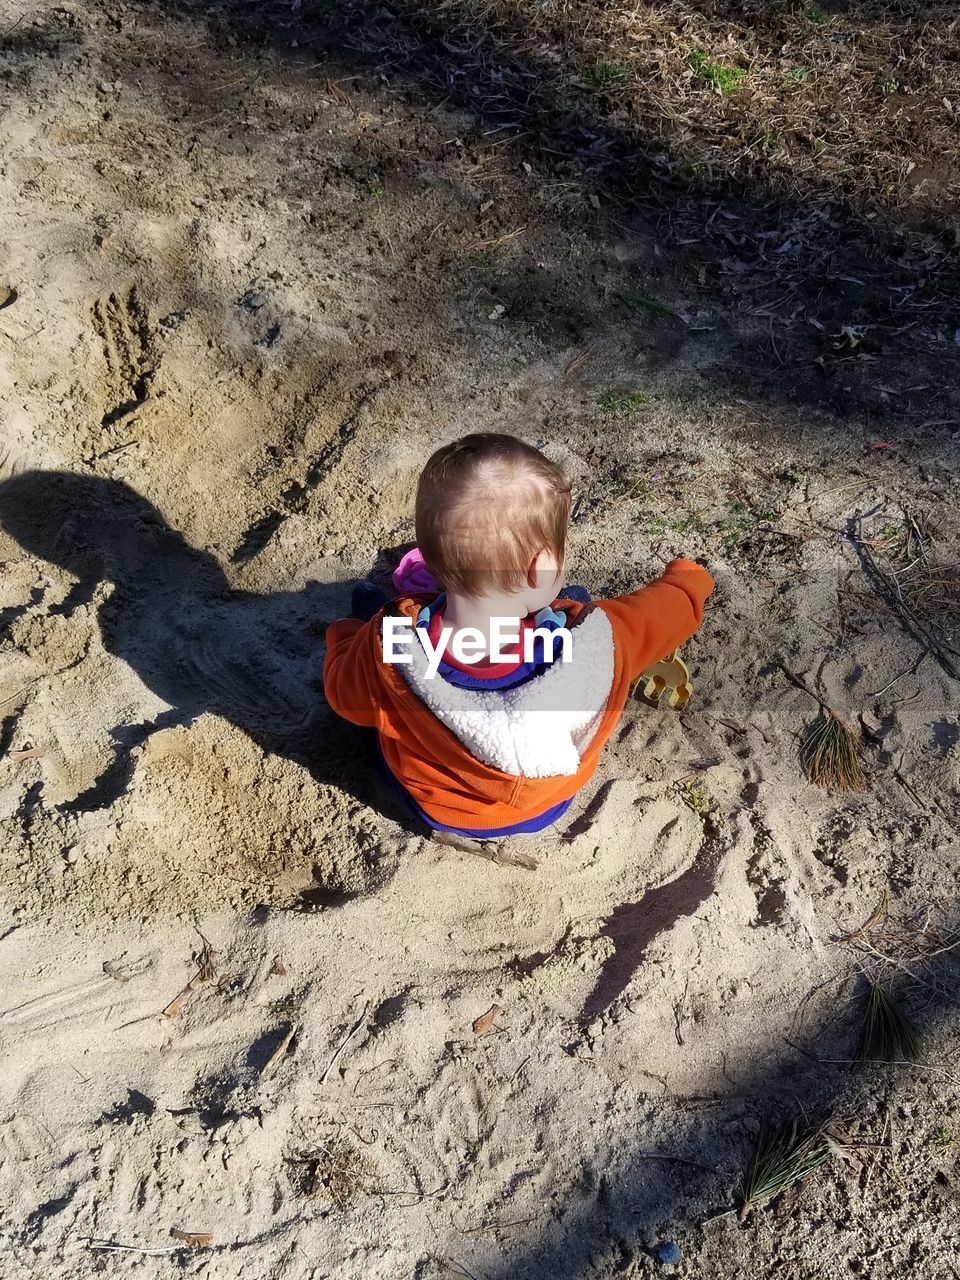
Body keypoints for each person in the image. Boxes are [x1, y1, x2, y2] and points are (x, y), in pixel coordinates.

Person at [323, 433, 714, 840]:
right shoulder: (598, 639)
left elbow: (342, 696)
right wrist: (690, 581)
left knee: (375, 718)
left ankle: (378, 609)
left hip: (444, 810)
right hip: (553, 802)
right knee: (575, 604)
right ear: (540, 568)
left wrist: (349, 636)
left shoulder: (389, 647)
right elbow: (664, 613)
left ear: (431, 560)